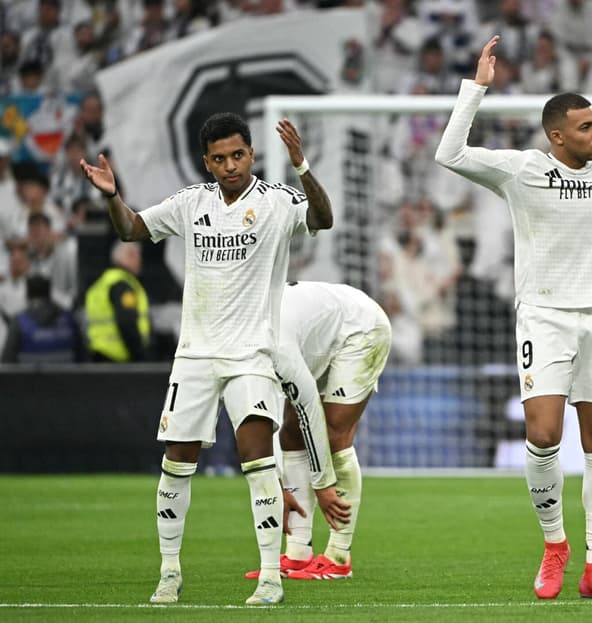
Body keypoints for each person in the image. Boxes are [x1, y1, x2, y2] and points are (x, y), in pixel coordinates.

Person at [435, 35, 592, 600]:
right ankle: (555, 545)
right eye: (587, 127)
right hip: (545, 317)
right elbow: (449, 154)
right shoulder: (521, 171)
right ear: (557, 136)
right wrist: (474, 90)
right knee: (544, 433)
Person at [79, 113, 334, 605]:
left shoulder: (278, 202)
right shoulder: (191, 203)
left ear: (252, 154)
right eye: (219, 158)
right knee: (176, 461)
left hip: (251, 355)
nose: (230, 165)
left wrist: (301, 164)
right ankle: (169, 573)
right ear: (207, 161)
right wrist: (112, 195)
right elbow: (133, 230)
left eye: (237, 155)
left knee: (258, 459)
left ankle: (269, 578)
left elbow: (322, 219)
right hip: (195, 355)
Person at [244, 280, 392, 581]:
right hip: (320, 337)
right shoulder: (241, 346)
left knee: (335, 435)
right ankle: (298, 553)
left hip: (360, 329)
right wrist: (276, 484)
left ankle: (339, 556)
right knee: (290, 433)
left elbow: (309, 407)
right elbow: (261, 416)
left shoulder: (274, 342)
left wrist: (323, 485)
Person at [84, 240, 151, 362]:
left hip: (99, 356)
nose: (139, 259)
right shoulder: (122, 285)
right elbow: (127, 323)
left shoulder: (101, 284)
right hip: (121, 359)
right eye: (134, 255)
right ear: (125, 257)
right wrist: (140, 357)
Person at [1, 275, 81, 363]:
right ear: (49, 294)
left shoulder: (19, 323)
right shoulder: (69, 321)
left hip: (28, 376)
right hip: (68, 376)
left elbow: (7, 363)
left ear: (27, 295)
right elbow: (84, 361)